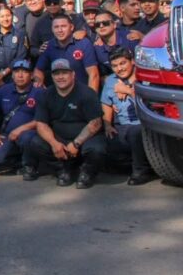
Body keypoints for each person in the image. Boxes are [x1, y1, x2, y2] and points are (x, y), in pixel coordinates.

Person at [24, 58, 106, 188]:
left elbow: (96, 123)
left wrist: (76, 143)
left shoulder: (87, 93)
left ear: (73, 74)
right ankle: (63, 170)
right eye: (57, 73)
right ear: (52, 76)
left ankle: (87, 172)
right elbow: (41, 124)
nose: (60, 77)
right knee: (35, 142)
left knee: (97, 149)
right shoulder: (46, 95)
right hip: (59, 138)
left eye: (64, 73)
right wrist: (54, 143)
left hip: (84, 139)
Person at [101, 47, 156, 185]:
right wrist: (107, 125)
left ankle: (140, 172)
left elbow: (151, 107)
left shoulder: (144, 78)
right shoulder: (111, 80)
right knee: (106, 143)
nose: (119, 69)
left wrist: (129, 91)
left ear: (132, 61)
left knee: (134, 133)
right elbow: (106, 103)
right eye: (114, 66)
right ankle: (134, 166)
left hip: (143, 125)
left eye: (122, 63)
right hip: (121, 125)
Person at [0, 60, 42, 172]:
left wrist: (20, 130)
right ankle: (17, 161)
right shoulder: (4, 90)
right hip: (8, 135)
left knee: (26, 138)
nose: (20, 75)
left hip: (30, 134)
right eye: (16, 72)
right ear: (12, 75)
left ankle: (29, 166)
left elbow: (42, 119)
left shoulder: (39, 92)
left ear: (31, 76)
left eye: (24, 72)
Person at [34, 14, 100, 93]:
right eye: (56, 27)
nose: (60, 30)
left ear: (71, 27)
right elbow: (38, 70)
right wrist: (39, 82)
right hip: (59, 95)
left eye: (63, 26)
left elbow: (94, 74)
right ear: (52, 29)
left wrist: (91, 99)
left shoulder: (83, 43)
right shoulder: (49, 46)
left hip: (82, 94)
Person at [92, 10, 137, 75]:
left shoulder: (130, 38)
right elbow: (103, 74)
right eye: (97, 24)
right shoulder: (97, 48)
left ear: (114, 25)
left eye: (105, 23)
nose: (101, 26)